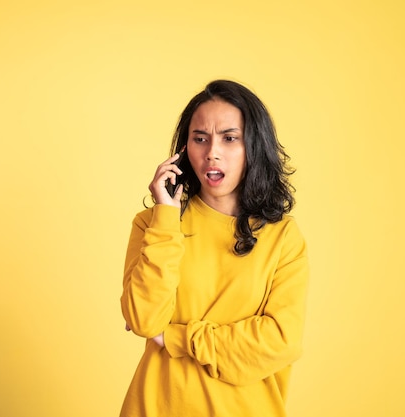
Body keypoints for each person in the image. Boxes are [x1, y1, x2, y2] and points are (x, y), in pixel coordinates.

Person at [119, 79, 309, 417]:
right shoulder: (153, 223)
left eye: (229, 138)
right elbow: (145, 320)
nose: (212, 153)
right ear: (184, 151)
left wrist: (177, 338)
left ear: (254, 145)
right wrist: (166, 216)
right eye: (200, 139)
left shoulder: (282, 237)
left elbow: (280, 341)